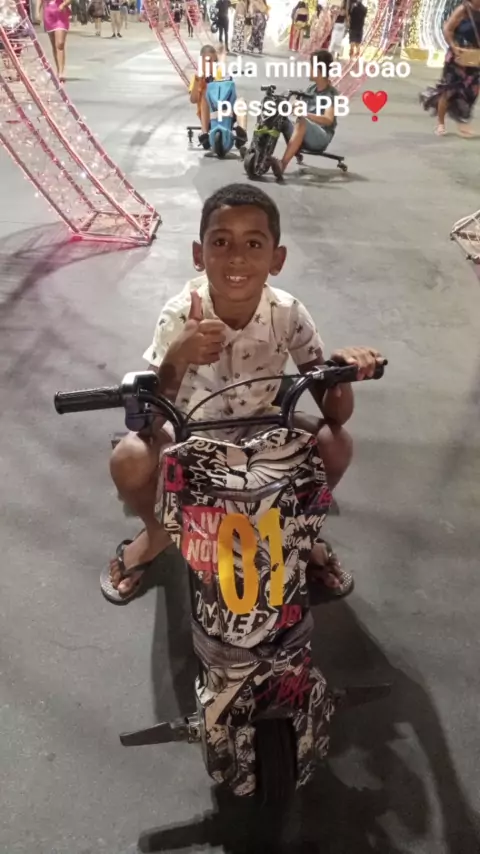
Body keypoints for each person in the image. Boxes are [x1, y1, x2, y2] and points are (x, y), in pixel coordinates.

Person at [104, 183, 385, 605]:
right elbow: (152, 420)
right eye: (221, 242)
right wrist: (178, 356)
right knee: (129, 457)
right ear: (199, 254)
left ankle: (302, 531)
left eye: (254, 244)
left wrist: (340, 372)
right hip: (189, 432)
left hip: (263, 429)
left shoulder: (288, 313)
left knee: (335, 442)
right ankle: (158, 533)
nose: (236, 256)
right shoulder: (180, 313)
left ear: (277, 259)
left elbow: (335, 413)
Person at [272, 49, 338, 180]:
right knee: (280, 119)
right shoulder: (311, 89)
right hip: (305, 130)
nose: (308, 70)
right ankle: (262, 155)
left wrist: (306, 114)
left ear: (318, 70)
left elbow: (328, 120)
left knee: (302, 121)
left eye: (310, 67)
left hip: (321, 136)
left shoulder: (330, 94)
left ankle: (282, 165)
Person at [420, 0, 480, 137]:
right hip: (457, 56)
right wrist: (454, 46)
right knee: (449, 90)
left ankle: (462, 121)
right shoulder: (463, 9)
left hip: (475, 57)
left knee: (472, 91)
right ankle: (440, 123)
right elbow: (448, 29)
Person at [189, 44, 248, 147]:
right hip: (209, 117)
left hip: (225, 111)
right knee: (205, 96)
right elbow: (193, 100)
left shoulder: (220, 73)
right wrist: (199, 80)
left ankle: (242, 134)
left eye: (214, 61)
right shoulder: (197, 78)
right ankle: (205, 133)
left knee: (241, 101)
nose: (211, 64)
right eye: (208, 61)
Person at [39, 0, 71, 81]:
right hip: (49, 16)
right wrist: (38, 13)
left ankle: (61, 72)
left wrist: (64, 4)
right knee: (54, 45)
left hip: (61, 15)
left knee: (60, 44)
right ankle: (58, 70)